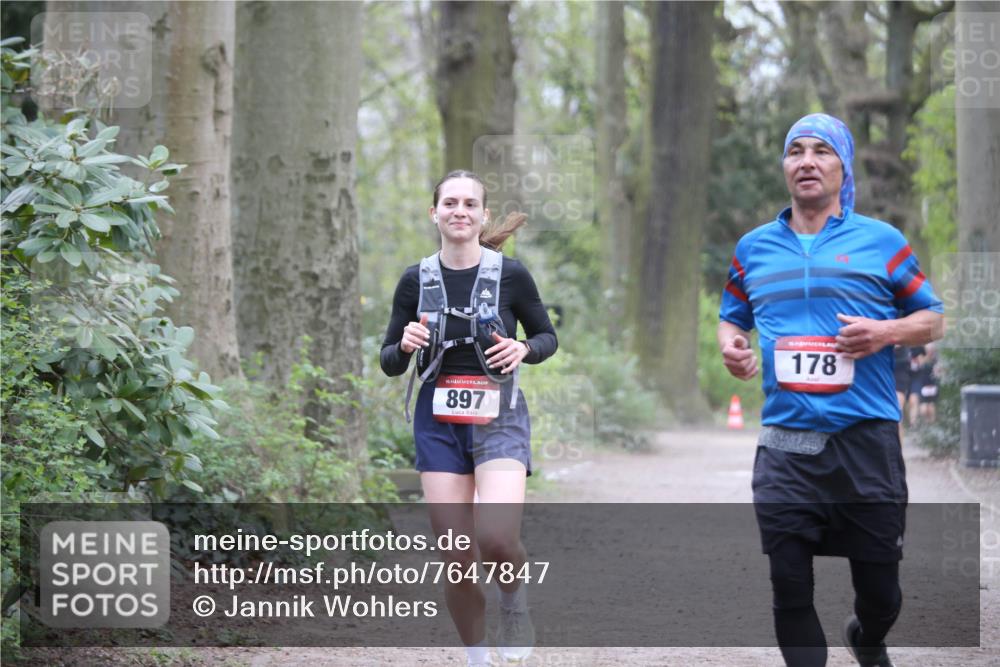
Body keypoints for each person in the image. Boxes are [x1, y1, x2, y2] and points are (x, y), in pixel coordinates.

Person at [717, 113, 944, 667]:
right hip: (787, 442)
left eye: (822, 152)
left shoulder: (882, 242)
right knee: (789, 583)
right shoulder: (753, 248)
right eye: (796, 151)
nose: (808, 161)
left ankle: (867, 637)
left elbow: (933, 318)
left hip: (865, 440)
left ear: (843, 168)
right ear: (785, 167)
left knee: (882, 594)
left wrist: (885, 332)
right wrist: (732, 347)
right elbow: (731, 317)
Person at [380, 170, 558, 666]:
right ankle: (478, 655)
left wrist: (523, 348)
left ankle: (512, 600)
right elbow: (389, 359)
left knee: (497, 538)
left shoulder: (511, 274)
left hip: (498, 416)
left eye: (470, 204)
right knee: (456, 558)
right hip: (438, 421)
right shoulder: (416, 279)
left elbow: (547, 337)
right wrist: (404, 344)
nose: (460, 211)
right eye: (450, 202)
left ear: (482, 216)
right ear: (434, 213)